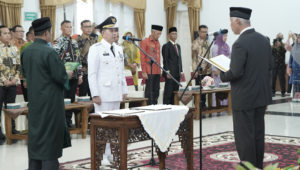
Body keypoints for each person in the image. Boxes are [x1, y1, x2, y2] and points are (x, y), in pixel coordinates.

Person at [220, 7, 273, 169]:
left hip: (244, 99)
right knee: (257, 136)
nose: (230, 26)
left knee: (245, 139)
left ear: (237, 22)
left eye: (231, 22)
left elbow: (235, 72)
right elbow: (269, 66)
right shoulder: (264, 39)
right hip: (261, 97)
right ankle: (257, 167)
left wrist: (222, 74)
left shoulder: (240, 43)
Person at [21, 17, 73, 170]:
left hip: (35, 102)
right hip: (50, 103)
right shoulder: (49, 52)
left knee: (36, 136)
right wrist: (67, 73)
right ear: (47, 33)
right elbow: (60, 76)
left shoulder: (26, 51)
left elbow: (25, 73)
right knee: (50, 138)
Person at [88, 16, 128, 166]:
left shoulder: (118, 48)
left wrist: (124, 90)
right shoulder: (96, 49)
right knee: (103, 126)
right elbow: (92, 74)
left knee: (114, 126)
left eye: (116, 30)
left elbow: (121, 72)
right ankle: (102, 154)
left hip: (116, 93)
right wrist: (95, 94)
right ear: (103, 32)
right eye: (112, 30)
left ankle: (110, 153)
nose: (115, 33)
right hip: (103, 95)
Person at [53, 20, 82, 128]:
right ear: (61, 29)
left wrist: (80, 75)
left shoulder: (74, 42)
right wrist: (63, 72)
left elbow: (78, 59)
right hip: (63, 76)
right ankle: (62, 122)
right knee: (63, 99)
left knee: (71, 99)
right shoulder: (58, 41)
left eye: (70, 27)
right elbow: (54, 58)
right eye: (67, 27)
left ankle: (69, 121)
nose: (69, 29)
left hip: (74, 75)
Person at [0, 25, 21, 139]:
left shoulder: (14, 48)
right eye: (5, 33)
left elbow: (18, 65)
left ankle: (11, 130)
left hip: (12, 83)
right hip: (1, 84)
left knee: (12, 109)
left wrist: (15, 78)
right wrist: (3, 80)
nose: (8, 35)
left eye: (9, 33)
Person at [140, 25, 163, 105]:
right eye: (157, 34)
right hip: (149, 70)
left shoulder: (158, 42)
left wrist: (160, 70)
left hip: (157, 70)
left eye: (160, 34)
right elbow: (142, 57)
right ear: (152, 32)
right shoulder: (145, 42)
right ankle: (148, 107)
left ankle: (155, 106)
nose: (159, 36)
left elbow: (158, 57)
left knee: (156, 90)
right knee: (149, 91)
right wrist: (144, 71)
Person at [75, 20, 97, 99]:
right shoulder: (78, 41)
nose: (89, 28)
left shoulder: (94, 40)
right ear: (81, 28)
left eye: (90, 26)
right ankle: (83, 112)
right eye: (86, 27)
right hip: (84, 72)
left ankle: (93, 112)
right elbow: (77, 59)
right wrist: (80, 74)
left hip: (94, 72)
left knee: (94, 95)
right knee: (83, 97)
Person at [162, 27, 183, 104]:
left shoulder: (178, 46)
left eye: (176, 34)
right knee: (168, 92)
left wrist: (181, 70)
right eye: (173, 34)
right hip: (170, 73)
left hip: (177, 73)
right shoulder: (166, 46)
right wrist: (167, 71)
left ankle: (174, 107)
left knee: (175, 92)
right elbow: (165, 60)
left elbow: (179, 59)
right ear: (169, 35)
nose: (175, 35)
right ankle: (166, 107)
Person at [192, 25, 211, 107]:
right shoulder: (195, 43)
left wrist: (210, 68)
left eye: (206, 32)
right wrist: (195, 70)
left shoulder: (207, 43)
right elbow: (193, 58)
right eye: (203, 32)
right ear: (199, 32)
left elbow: (209, 56)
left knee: (206, 89)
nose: (204, 34)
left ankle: (204, 105)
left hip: (207, 70)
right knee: (199, 90)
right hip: (199, 70)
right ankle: (198, 106)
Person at [211, 30, 231, 107]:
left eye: (226, 36)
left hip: (226, 71)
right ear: (219, 36)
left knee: (226, 88)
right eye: (224, 36)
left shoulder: (227, 46)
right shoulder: (215, 47)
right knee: (218, 89)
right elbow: (214, 59)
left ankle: (226, 107)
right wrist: (215, 70)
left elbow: (229, 58)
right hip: (218, 72)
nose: (226, 37)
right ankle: (216, 106)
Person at [10, 25, 28, 101]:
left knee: (28, 99)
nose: (21, 33)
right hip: (13, 75)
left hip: (25, 75)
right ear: (12, 33)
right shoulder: (9, 45)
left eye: (22, 31)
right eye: (18, 31)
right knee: (13, 100)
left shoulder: (27, 44)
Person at [19, 26, 35, 101]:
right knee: (29, 100)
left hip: (42, 78)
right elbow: (23, 64)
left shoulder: (46, 46)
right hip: (29, 78)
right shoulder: (25, 47)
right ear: (31, 34)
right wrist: (25, 79)